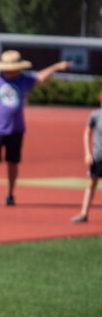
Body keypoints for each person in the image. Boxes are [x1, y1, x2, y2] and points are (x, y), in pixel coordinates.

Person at [0, 50, 72, 206]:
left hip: (16, 129)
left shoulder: (23, 80)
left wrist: (56, 67)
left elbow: (40, 77)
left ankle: (10, 193)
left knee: (13, 162)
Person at [72, 91, 102, 223]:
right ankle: (84, 213)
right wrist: (87, 153)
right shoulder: (96, 114)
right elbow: (87, 132)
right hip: (98, 156)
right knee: (91, 183)